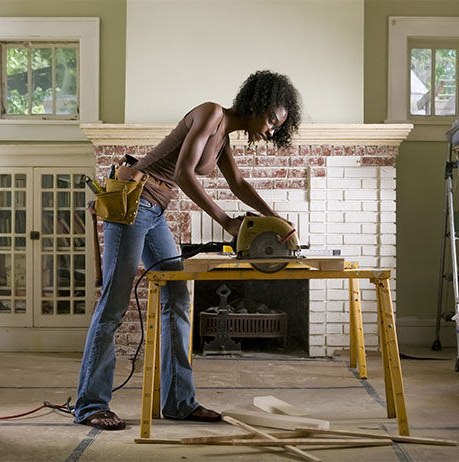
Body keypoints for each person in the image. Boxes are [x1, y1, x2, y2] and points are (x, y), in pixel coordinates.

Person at [74, 70, 302, 430]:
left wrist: (277, 222)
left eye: (278, 127)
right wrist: (226, 221)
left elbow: (239, 183)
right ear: (257, 104)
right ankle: (90, 405)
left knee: (178, 298)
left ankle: (179, 402)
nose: (272, 130)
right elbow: (182, 172)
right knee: (114, 306)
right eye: (272, 120)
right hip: (131, 206)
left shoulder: (223, 137)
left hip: (154, 211)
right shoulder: (211, 113)